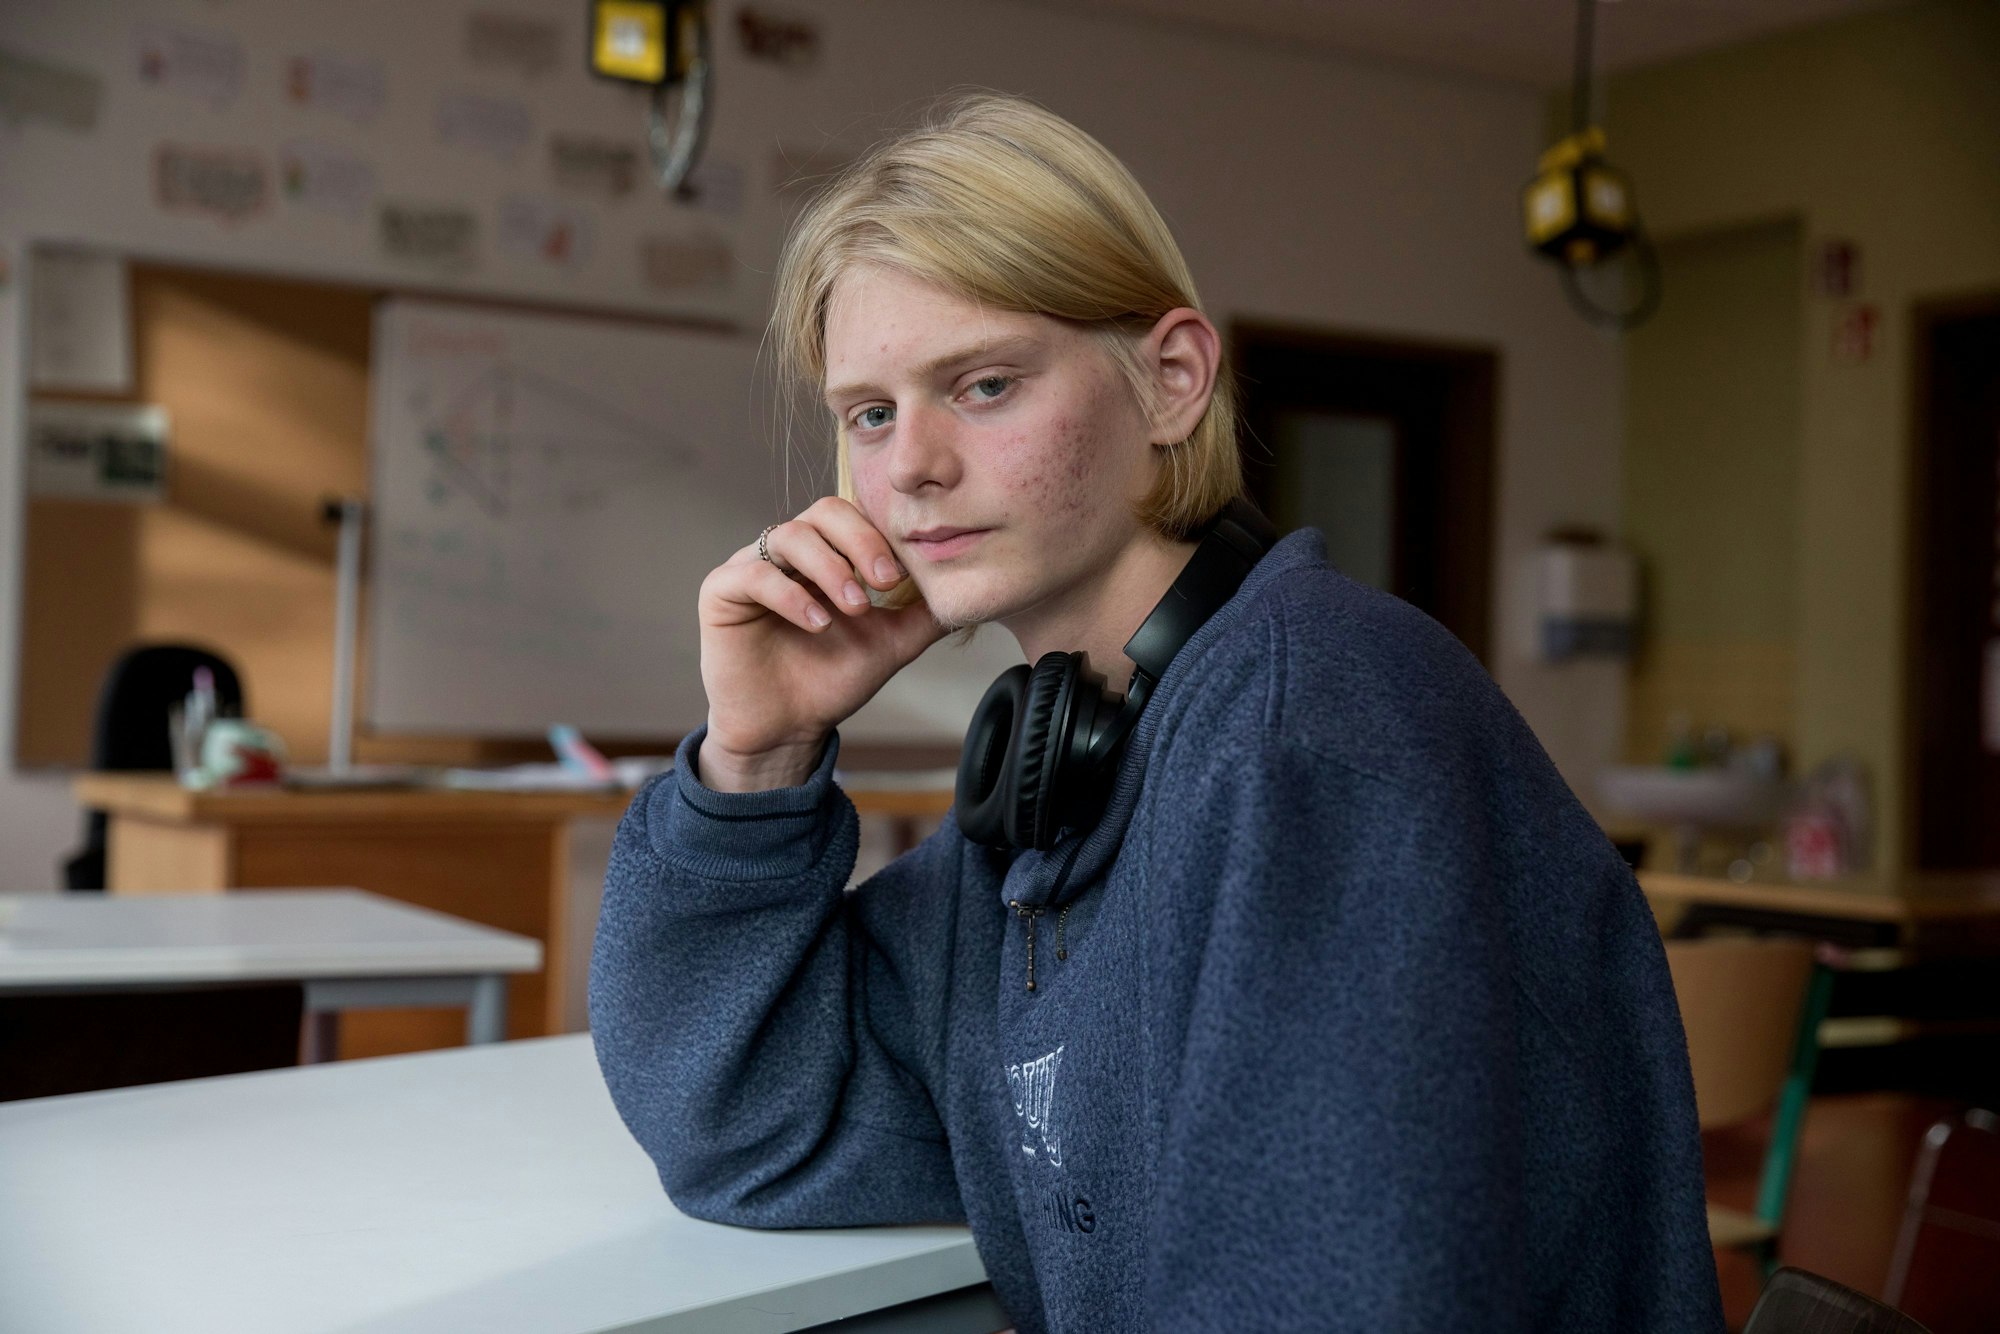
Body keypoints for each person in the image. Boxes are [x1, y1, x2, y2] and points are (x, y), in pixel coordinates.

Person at [589, 93, 1723, 1332]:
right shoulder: (1050, 787)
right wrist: (756, 761)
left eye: (980, 384)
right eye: (869, 411)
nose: (907, 464)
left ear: (1171, 379)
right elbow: (746, 1129)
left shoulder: (1306, 727)